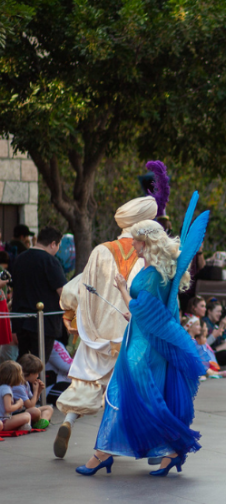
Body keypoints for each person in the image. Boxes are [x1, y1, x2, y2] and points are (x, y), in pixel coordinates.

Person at [76, 198, 210, 477]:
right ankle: (168, 452)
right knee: (143, 397)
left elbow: (143, 307)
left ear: (147, 243)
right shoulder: (162, 271)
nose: (133, 245)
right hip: (145, 339)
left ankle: (103, 454)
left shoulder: (150, 275)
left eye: (136, 240)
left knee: (124, 395)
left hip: (142, 347)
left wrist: (124, 290)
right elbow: (160, 311)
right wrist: (134, 315)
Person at [54, 196, 158, 458]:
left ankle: (68, 422)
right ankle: (153, 447)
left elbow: (78, 286)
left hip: (96, 333)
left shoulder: (101, 250)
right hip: (131, 332)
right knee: (137, 390)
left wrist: (71, 308)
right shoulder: (148, 252)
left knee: (86, 383)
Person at [10, 226, 67, 363]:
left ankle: (20, 385)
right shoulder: (50, 261)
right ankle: (35, 385)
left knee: (23, 361)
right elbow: (63, 292)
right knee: (38, 364)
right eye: (58, 245)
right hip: (43, 323)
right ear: (53, 243)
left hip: (21, 319)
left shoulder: (19, 259)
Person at [12, 354, 53, 428]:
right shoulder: (18, 386)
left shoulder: (26, 383)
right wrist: (36, 391)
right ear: (31, 374)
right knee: (35, 411)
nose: (37, 376)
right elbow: (30, 406)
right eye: (37, 373)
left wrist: (39, 391)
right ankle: (36, 422)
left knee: (49, 408)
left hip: (24, 411)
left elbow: (32, 402)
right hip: (14, 414)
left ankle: (40, 422)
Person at [0, 360, 32, 432]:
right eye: (20, 375)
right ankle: (23, 427)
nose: (22, 377)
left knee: (27, 414)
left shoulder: (3, 387)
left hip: (4, 419)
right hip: (3, 421)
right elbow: (8, 408)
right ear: (14, 377)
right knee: (27, 416)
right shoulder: (6, 389)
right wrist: (18, 404)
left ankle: (23, 426)